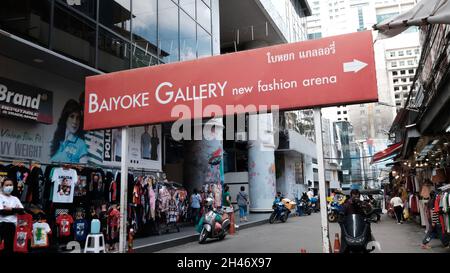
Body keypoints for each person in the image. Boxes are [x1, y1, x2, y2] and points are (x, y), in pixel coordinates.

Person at [50, 99, 88, 163]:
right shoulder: (57, 141)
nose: (75, 121)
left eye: (78, 118)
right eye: (72, 116)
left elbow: (83, 169)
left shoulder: (81, 144)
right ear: (65, 118)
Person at [0, 178, 25, 253]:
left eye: (10, 185)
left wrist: (11, 209)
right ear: (2, 186)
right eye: (7, 185)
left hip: (13, 225)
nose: (9, 187)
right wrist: (15, 210)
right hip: (2, 224)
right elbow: (2, 212)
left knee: (10, 247)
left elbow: (22, 211)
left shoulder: (15, 199)